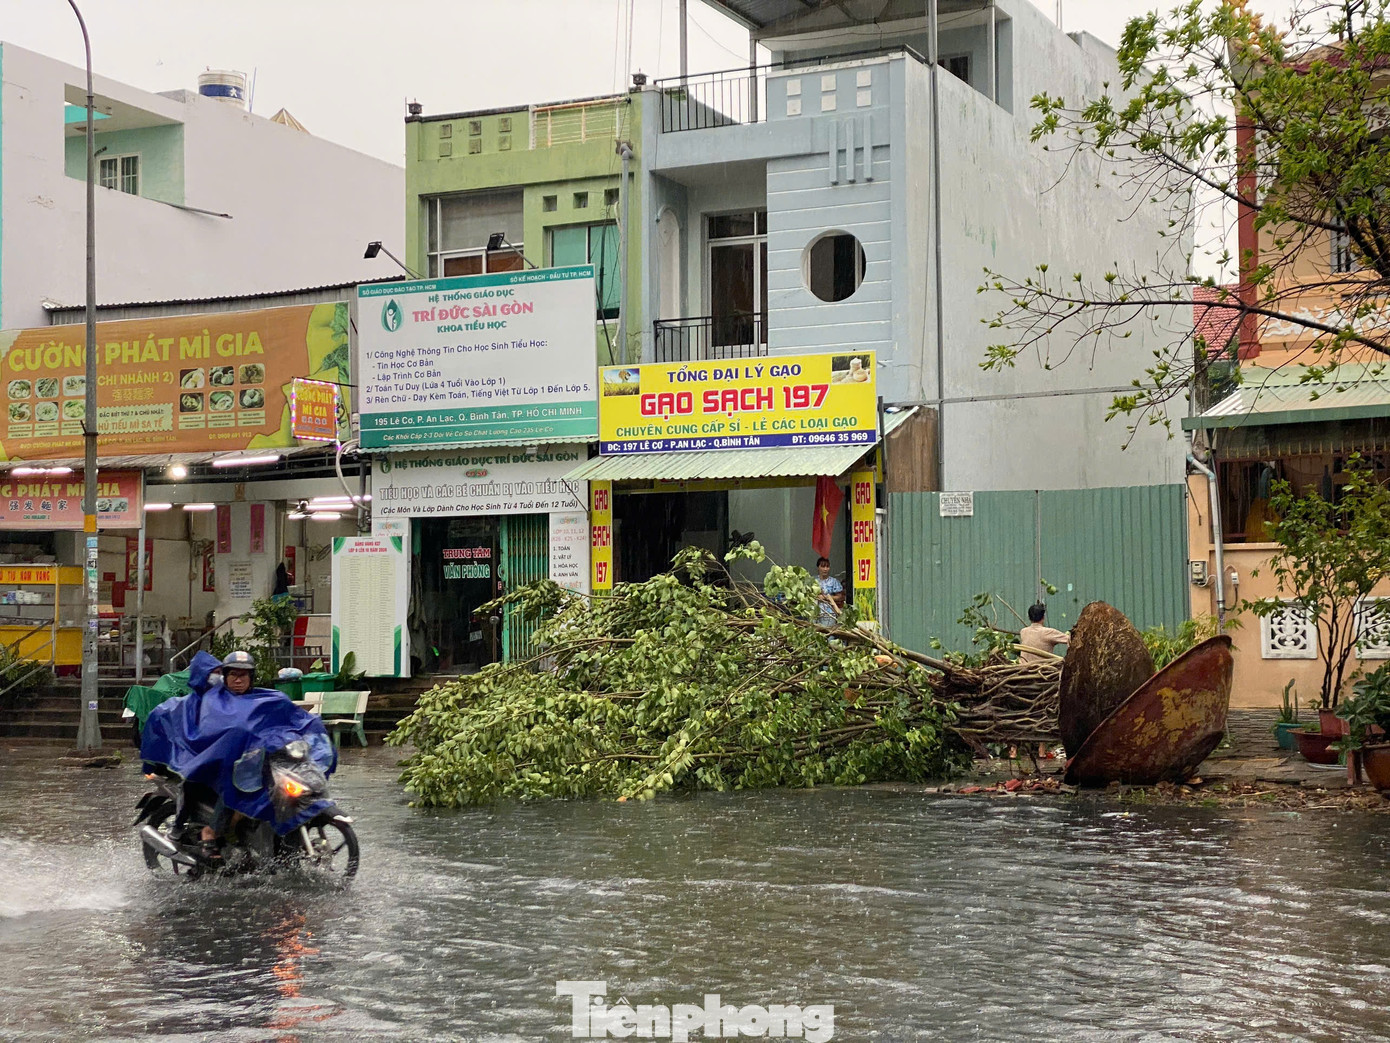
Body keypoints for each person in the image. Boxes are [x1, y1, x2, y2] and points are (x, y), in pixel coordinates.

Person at [815, 557, 845, 625]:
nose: (825, 569)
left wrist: (826, 597)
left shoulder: (833, 581)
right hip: (815, 614)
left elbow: (840, 597)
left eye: (827, 566)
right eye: (823, 566)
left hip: (830, 613)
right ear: (818, 567)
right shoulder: (814, 581)